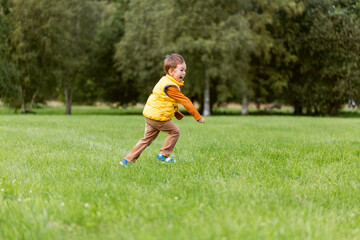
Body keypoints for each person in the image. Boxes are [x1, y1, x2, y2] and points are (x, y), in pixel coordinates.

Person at [120, 54, 205, 165]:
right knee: (175, 132)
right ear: (171, 71)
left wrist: (177, 113)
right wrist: (197, 116)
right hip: (158, 117)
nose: (184, 73)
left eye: (185, 70)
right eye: (181, 70)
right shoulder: (171, 86)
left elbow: (165, 101)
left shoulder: (165, 81)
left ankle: (127, 160)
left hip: (151, 115)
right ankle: (163, 156)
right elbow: (185, 101)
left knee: (146, 140)